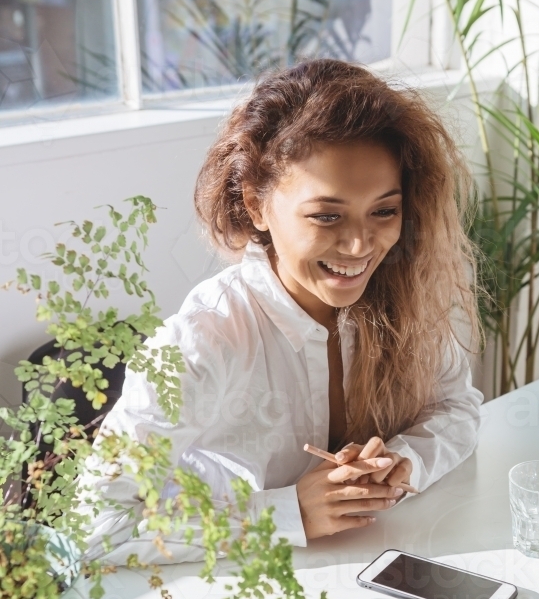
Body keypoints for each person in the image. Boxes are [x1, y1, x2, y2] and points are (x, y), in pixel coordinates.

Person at [83, 59, 483, 564]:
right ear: (256, 205)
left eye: (384, 210)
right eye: (326, 215)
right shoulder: (204, 340)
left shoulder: (404, 295)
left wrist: (403, 462)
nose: (360, 244)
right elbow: (96, 526)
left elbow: (457, 408)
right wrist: (286, 515)